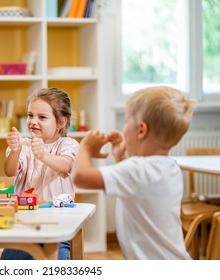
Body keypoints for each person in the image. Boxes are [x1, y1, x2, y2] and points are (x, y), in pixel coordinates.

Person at [73, 86, 194, 260]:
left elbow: (80, 177)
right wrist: (121, 156)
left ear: (141, 130)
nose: (124, 127)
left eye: (126, 121)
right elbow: (137, 188)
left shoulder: (136, 170)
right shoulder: (170, 166)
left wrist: (85, 146)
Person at [1, 87, 80, 260]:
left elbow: (66, 166)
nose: (33, 121)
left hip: (58, 229)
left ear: (60, 123)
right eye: (30, 115)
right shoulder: (23, 144)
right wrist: (15, 151)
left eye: (42, 117)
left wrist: (43, 155)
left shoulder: (68, 144)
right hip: (23, 228)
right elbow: (9, 171)